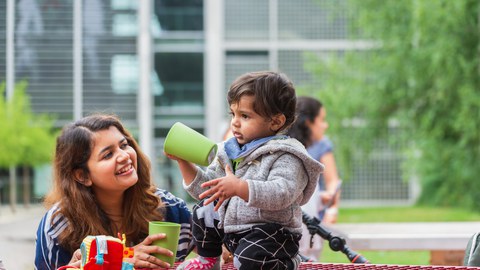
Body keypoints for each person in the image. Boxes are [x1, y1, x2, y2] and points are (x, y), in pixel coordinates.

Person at [167, 71, 324, 270]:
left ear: (276, 122)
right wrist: (184, 161)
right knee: (204, 209)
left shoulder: (287, 156)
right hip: (232, 231)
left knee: (250, 259)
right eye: (233, 114)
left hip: (272, 236)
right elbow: (206, 190)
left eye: (245, 115)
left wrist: (239, 187)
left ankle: (288, 262)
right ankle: (208, 260)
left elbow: (281, 193)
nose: (235, 122)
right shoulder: (229, 151)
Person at [34, 113, 192, 270]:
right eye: (108, 154)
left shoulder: (170, 208)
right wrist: (122, 260)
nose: (124, 156)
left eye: (124, 145)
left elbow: (211, 252)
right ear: (82, 176)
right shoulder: (58, 226)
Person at [287, 96, 342, 261]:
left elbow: (332, 180)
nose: (325, 125)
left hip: (307, 230)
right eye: (322, 120)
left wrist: (325, 202)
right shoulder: (292, 154)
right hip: (298, 235)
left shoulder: (322, 144)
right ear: (309, 122)